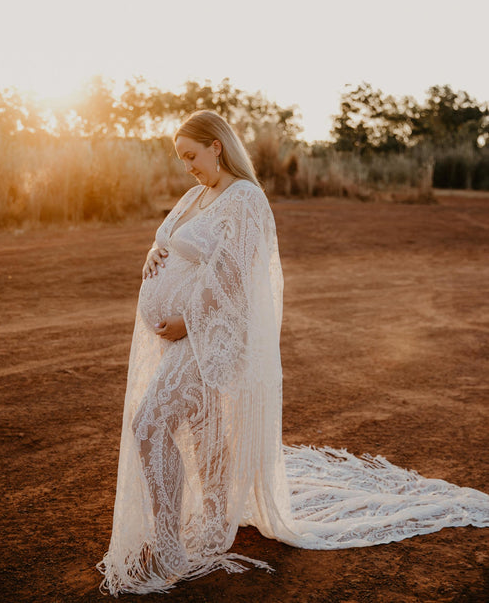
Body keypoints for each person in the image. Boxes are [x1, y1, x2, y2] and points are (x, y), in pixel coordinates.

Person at [98, 110, 489, 596]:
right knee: (202, 425)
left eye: (191, 156)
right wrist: (152, 253)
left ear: (217, 146)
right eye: (181, 159)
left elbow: (238, 277)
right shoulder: (197, 195)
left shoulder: (246, 198)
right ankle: (214, 521)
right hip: (183, 336)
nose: (187, 167)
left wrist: (187, 322)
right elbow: (170, 238)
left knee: (150, 423)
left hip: (210, 335)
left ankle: (168, 546)